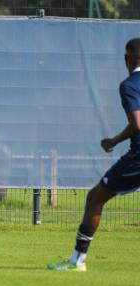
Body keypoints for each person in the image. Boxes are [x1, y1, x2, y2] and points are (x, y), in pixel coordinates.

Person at [48, 38, 140, 271]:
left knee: (95, 198)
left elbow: (138, 123)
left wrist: (114, 140)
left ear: (129, 58)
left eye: (126, 55)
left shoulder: (130, 85)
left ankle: (77, 261)